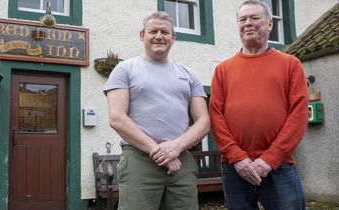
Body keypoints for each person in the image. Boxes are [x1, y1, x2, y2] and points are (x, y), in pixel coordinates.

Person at [103, 11, 210, 210]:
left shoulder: (189, 74)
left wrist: (176, 147)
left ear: (173, 37)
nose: (159, 36)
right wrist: (159, 151)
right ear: (142, 36)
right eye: (153, 31)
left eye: (165, 31)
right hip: (139, 160)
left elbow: (203, 121)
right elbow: (117, 118)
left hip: (181, 161)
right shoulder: (124, 69)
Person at [210, 1, 308, 209]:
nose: (248, 24)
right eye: (243, 19)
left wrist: (270, 158)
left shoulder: (290, 64)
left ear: (270, 24)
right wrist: (237, 157)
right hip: (235, 166)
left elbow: (298, 115)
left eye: (255, 18)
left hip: (279, 164)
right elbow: (216, 116)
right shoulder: (223, 69)